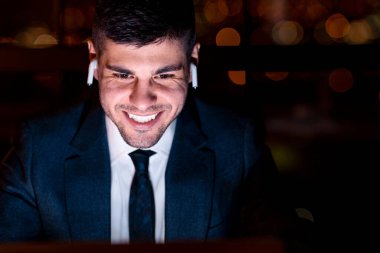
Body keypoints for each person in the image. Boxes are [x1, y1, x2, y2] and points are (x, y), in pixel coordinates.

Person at [0, 0, 309, 249]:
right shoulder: (39, 147)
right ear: (94, 59)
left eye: (164, 75)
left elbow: (280, 239)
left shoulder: (237, 142)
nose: (143, 101)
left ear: (193, 62)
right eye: (123, 74)